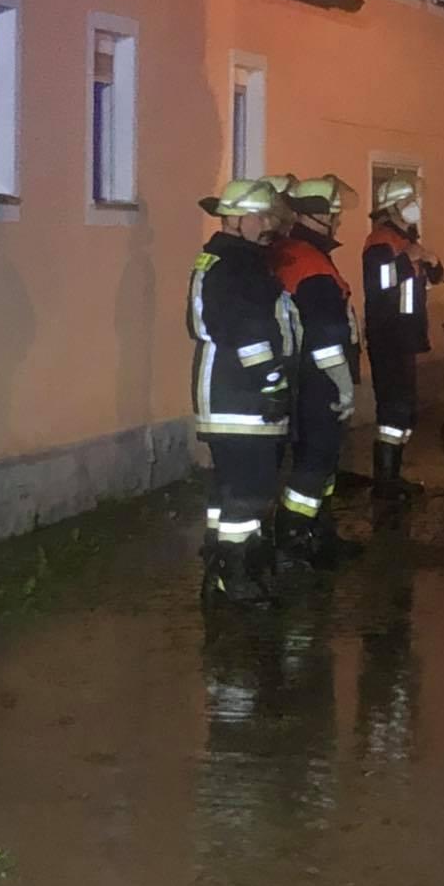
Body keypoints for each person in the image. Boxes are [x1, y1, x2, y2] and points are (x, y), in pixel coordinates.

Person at [188, 179, 293, 604]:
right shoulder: (238, 264)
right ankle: (235, 578)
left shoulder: (224, 258)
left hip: (226, 391)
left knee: (229, 488)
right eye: (261, 217)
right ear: (236, 218)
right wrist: (272, 380)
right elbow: (248, 331)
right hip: (240, 393)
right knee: (249, 489)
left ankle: (220, 569)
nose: (267, 225)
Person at [268, 175, 363, 568]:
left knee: (317, 461)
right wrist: (343, 385)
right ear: (319, 217)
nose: (338, 223)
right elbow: (326, 336)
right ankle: (295, 538)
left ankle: (318, 534)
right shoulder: (312, 265)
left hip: (299, 375)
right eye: (335, 216)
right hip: (319, 379)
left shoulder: (288, 252)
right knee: (317, 460)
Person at [362, 178, 443, 500]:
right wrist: (409, 258)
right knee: (393, 411)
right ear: (392, 208)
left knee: (405, 411)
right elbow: (381, 283)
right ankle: (385, 481)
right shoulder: (380, 242)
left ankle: (393, 476)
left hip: (405, 337)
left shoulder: (406, 240)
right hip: (388, 337)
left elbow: (430, 277)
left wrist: (431, 262)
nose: (414, 205)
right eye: (407, 200)